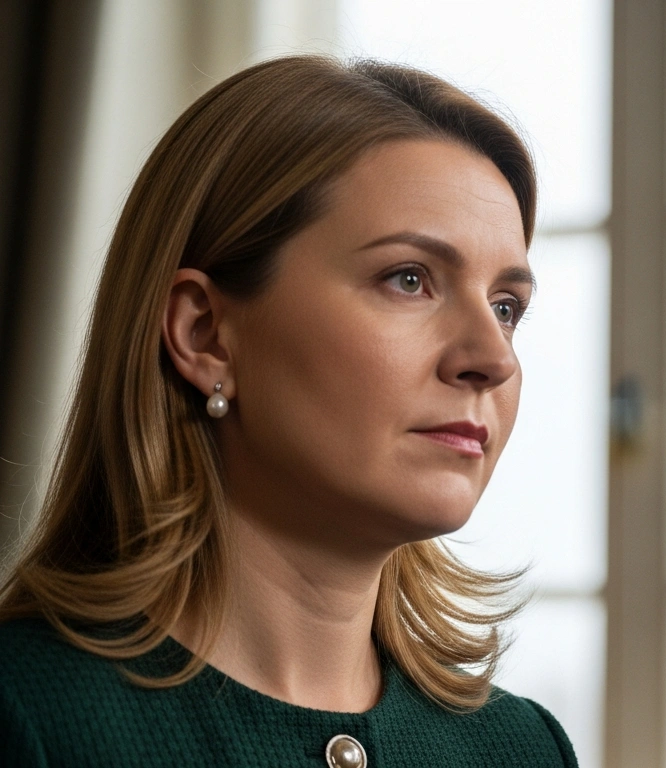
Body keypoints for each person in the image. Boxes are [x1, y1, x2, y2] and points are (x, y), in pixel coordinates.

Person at [0, 56, 576, 767]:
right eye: (409, 280)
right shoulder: (25, 714)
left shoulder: (521, 750)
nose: (494, 358)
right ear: (203, 334)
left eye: (505, 306)